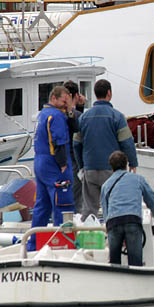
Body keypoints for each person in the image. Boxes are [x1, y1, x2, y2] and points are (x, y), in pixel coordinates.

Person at [74, 78, 138, 219]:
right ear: (109, 93)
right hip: (111, 171)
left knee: (89, 210)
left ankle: (87, 236)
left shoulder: (84, 118)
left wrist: (81, 166)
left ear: (96, 94)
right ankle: (112, 238)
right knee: (113, 207)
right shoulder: (117, 117)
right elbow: (127, 142)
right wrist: (133, 163)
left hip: (89, 170)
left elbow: (76, 144)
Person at [100, 151, 154, 266]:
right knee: (135, 262)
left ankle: (115, 279)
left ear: (111, 166)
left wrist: (109, 229)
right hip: (132, 220)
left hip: (113, 223)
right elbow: (152, 199)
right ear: (126, 164)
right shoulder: (138, 179)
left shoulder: (106, 185)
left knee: (114, 262)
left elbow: (105, 211)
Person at [32, 85, 75, 230]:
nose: (65, 105)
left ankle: (34, 242)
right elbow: (59, 141)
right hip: (54, 164)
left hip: (39, 162)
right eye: (64, 101)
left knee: (42, 205)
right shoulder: (56, 116)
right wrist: (62, 163)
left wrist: (69, 110)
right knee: (62, 203)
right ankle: (62, 239)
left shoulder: (43, 114)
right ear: (53, 98)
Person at [62, 80, 86, 210]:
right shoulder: (77, 115)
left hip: (61, 159)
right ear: (76, 96)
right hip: (74, 159)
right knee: (77, 197)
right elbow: (78, 128)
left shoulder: (57, 113)